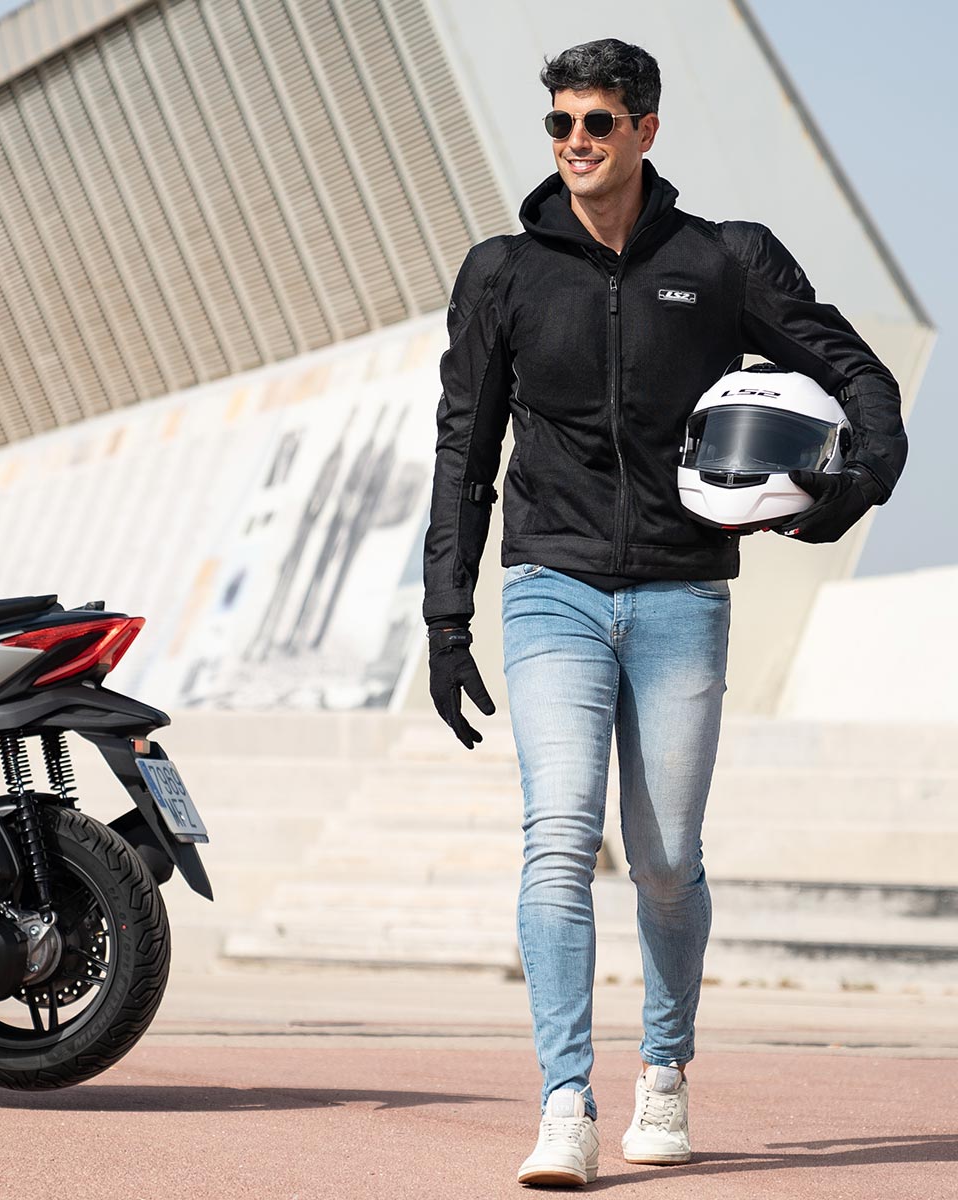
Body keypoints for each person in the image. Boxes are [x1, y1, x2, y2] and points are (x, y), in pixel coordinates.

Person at [422, 38, 906, 1188]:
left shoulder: (724, 261)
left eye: (597, 121)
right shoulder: (503, 273)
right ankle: (564, 1104)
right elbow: (463, 452)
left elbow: (862, 378)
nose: (575, 142)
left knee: (668, 860)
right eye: (560, 123)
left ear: (644, 129)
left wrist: (853, 485)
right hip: (551, 587)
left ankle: (667, 1071)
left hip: (684, 592)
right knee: (556, 841)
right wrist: (446, 616)